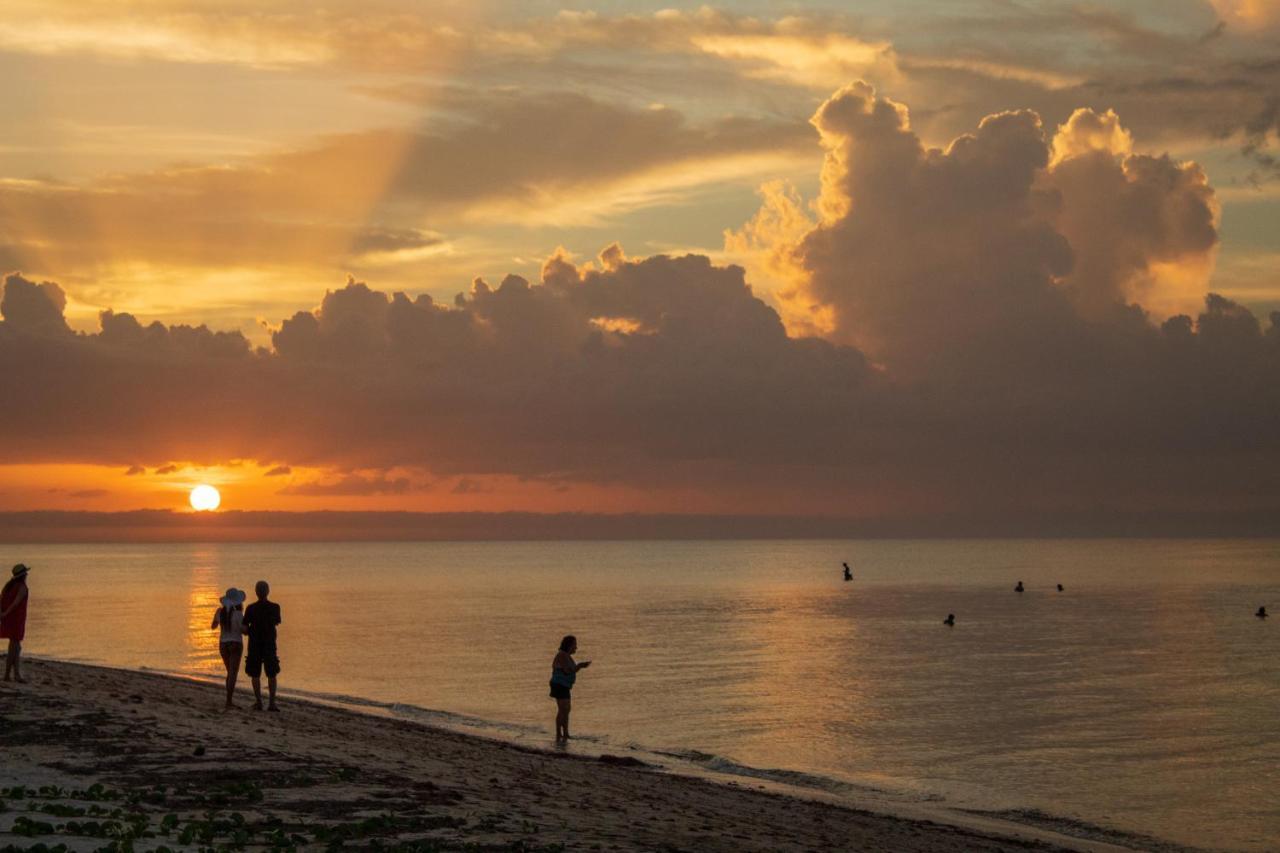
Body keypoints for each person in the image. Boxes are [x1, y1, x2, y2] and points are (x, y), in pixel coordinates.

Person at [241, 580, 282, 711]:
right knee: (272, 673)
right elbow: (276, 622)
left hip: (255, 644)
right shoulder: (275, 607)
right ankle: (271, 703)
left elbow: (244, 627)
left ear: (256, 592)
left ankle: (259, 701)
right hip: (269, 643)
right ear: (268, 591)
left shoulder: (251, 608)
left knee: (255, 674)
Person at [210, 587, 246, 709]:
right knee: (232, 673)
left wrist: (219, 621)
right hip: (235, 644)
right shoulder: (238, 614)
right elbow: (244, 631)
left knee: (229, 673)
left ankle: (228, 700)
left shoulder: (220, 611)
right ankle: (229, 702)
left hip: (223, 644)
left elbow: (213, 626)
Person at [550, 635, 591, 740]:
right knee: (563, 709)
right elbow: (568, 671)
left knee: (566, 709)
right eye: (574, 645)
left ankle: (566, 733)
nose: (576, 648)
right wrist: (580, 666)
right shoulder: (562, 655)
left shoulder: (567, 656)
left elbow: (571, 670)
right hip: (559, 685)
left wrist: (580, 667)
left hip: (564, 685)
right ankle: (559, 734)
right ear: (569, 645)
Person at [1, 564, 30, 683]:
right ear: (23, 575)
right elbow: (16, 603)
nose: (27, 575)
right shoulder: (22, 587)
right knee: (14, 647)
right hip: (15, 618)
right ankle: (8, 675)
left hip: (8, 618)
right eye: (26, 573)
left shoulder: (8, 586)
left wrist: (2, 614)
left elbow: (1, 599)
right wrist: (5, 613)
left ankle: (16, 674)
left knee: (16, 647)